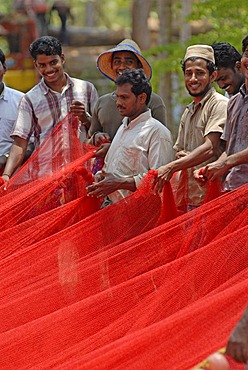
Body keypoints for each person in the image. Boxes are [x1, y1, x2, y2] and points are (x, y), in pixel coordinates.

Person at [2, 35, 98, 183]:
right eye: (42, 65)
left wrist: (85, 118)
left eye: (53, 62)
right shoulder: (30, 99)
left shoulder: (86, 89)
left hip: (82, 174)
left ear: (63, 58)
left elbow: (98, 131)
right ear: (36, 65)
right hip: (46, 179)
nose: (49, 69)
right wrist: (6, 175)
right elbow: (20, 142)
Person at [153, 44, 229, 211]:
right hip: (188, 199)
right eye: (188, 73)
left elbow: (210, 148)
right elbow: (179, 151)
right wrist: (182, 158)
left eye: (200, 73)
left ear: (213, 75)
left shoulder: (220, 105)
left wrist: (172, 166)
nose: (193, 79)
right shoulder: (188, 111)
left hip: (213, 199)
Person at [86, 68, 173, 205]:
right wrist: (100, 179)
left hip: (139, 214)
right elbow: (113, 169)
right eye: (117, 96)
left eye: (124, 98)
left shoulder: (157, 132)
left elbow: (159, 180)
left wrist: (120, 183)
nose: (118, 103)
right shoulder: (123, 126)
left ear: (142, 98)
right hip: (112, 209)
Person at [88, 39, 168, 157]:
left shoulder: (153, 101)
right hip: (105, 171)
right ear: (112, 65)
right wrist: (96, 138)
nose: (122, 66)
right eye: (117, 61)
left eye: (128, 62)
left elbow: (159, 143)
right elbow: (88, 142)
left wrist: (113, 149)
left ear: (138, 66)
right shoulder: (102, 103)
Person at [194, 36, 248, 190]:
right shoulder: (233, 102)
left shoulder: (220, 102)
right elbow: (230, 148)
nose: (222, 85)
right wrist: (212, 167)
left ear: (237, 67)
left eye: (224, 78)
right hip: (231, 188)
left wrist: (224, 163)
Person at [0, 49, 25, 175]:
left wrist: (6, 159)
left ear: (4, 68)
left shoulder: (22, 101)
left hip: (12, 178)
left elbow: (30, 143)